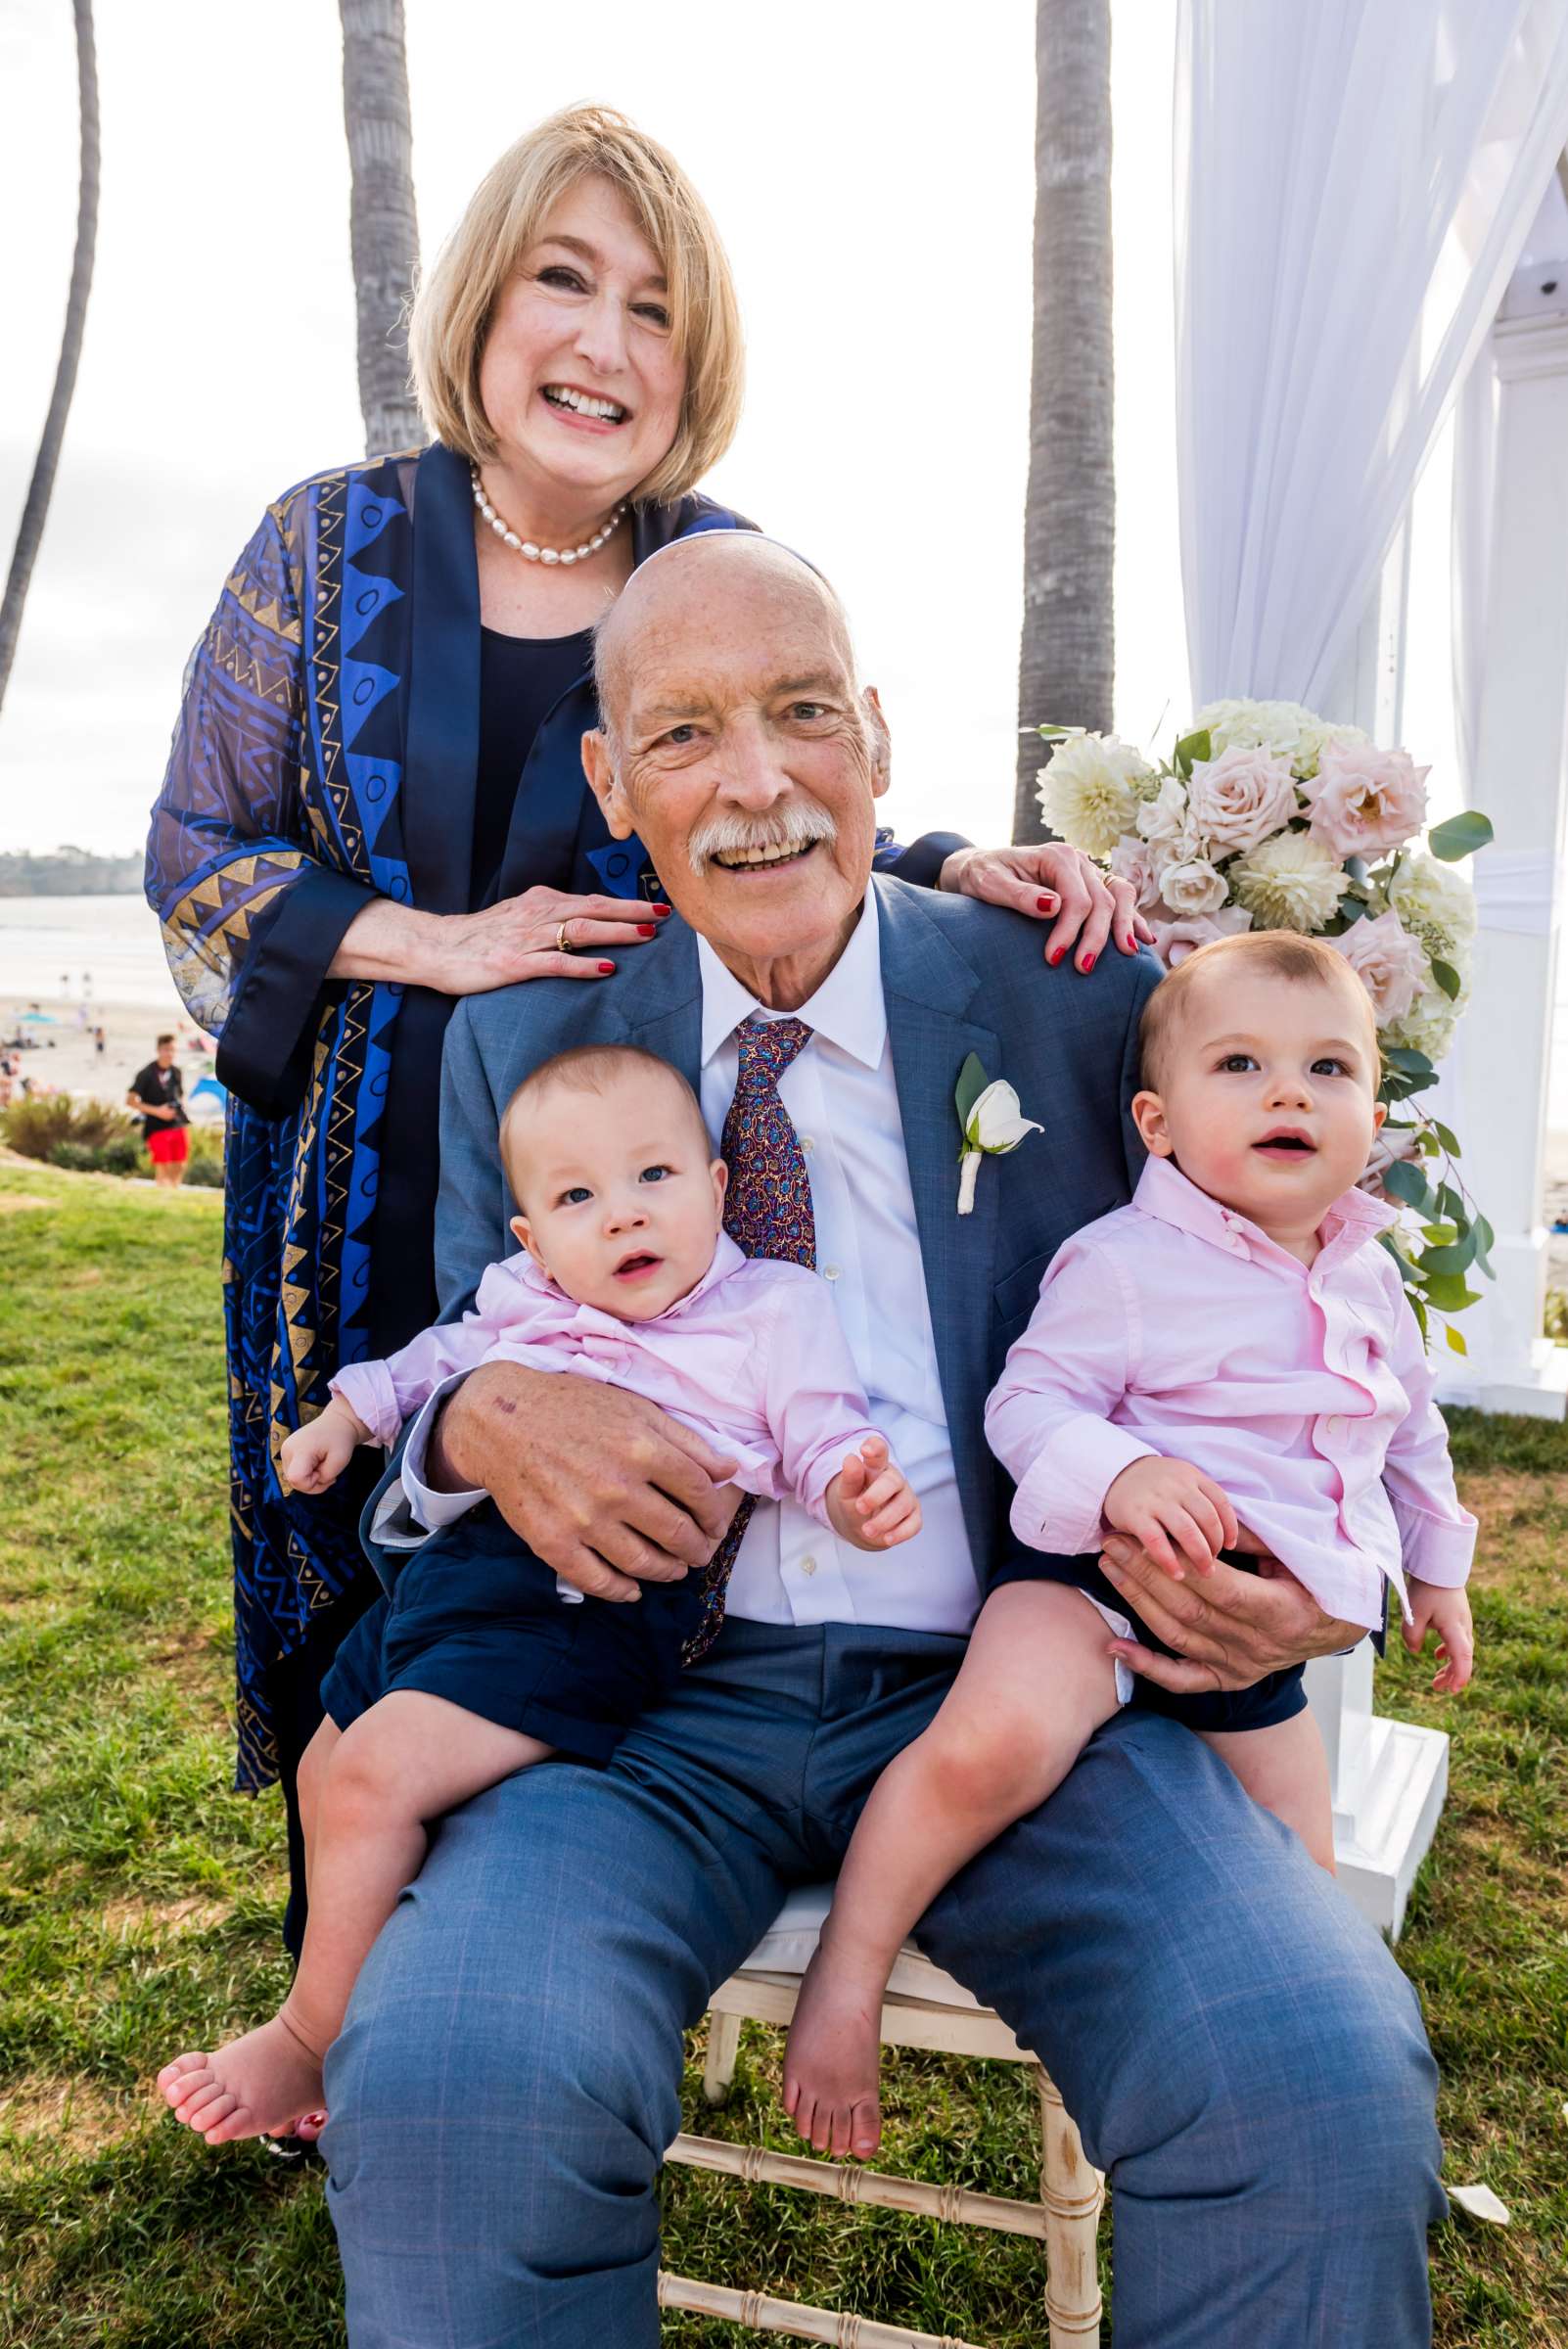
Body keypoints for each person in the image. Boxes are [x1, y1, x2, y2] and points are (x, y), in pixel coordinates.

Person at [317, 534, 1444, 2348]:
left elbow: (1294, 1304)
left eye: (803, 714)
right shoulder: (525, 1036)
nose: (756, 782)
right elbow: (470, 1356)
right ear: (611, 783)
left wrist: (1313, 1589)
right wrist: (473, 1415)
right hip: (628, 1713)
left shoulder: (1079, 998)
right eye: (682, 734)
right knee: (456, 2087)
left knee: (1305, 2087)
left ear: (881, 741)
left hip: (1027, 1691)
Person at [142, 106, 1145, 1969]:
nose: (605, 343)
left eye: (655, 311)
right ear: (484, 302)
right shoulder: (323, 547)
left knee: (608, 1555)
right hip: (358, 1162)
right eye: (564, 281)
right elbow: (194, 850)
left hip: (637, 1183)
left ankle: (548, 1916)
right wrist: (438, 946)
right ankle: (348, 1984)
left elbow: (783, 792)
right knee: (357, 1548)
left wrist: (955, 861)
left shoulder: (717, 553)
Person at [779, 928, 1477, 2157]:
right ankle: (850, 1968)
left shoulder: (1371, 1280)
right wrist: (1128, 1470)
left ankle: (1318, 2075)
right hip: (1091, 1583)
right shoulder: (1127, 1263)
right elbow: (1027, 1406)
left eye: (1329, 1071)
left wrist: (1436, 1569)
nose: (1287, 1094)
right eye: (1244, 1067)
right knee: (984, 1749)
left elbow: (1409, 1428)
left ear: (1375, 1112)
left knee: (1300, 1888)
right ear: (1155, 1122)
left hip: (1256, 1636)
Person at [158, 1041, 921, 2143]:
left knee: (373, 1777)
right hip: (450, 1578)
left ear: (715, 1188)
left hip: (583, 1603)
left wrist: (855, 1491)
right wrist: (341, 1420)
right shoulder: (521, 1297)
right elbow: (434, 1363)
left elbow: (820, 1429)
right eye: (577, 1196)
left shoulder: (767, 1307)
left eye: (654, 1178)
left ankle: (307, 2035)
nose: (622, 1217)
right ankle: (368, 2003)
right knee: (324, 1761)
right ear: (532, 1239)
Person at [127, 1034, 190, 1188]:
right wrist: (158, 1111)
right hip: (155, 1126)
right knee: (164, 1166)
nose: (169, 1053)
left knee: (180, 1164)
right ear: (158, 1050)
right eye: (166, 1049)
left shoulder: (176, 1072)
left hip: (177, 1123)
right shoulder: (146, 1073)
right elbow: (130, 1101)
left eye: (173, 1050)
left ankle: (174, 1195)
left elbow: (180, 1095)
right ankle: (163, 1194)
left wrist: (181, 1107)